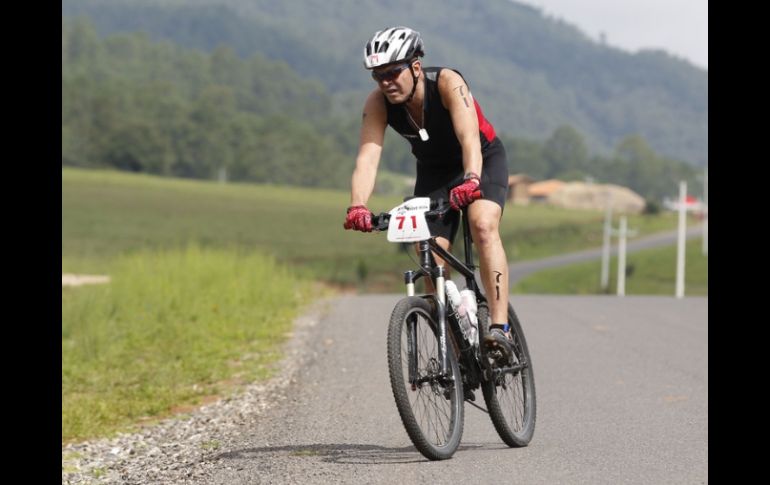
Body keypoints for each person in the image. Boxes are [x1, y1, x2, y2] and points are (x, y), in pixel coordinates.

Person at [344, 26, 513, 359]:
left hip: (480, 160)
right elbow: (368, 157)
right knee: (430, 257)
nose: (386, 82)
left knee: (482, 225)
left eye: (393, 72)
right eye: (378, 76)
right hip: (434, 173)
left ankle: (499, 327)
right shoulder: (378, 103)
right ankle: (456, 352)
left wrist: (472, 180)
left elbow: (468, 139)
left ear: (416, 67)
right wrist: (358, 205)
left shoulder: (448, 83)